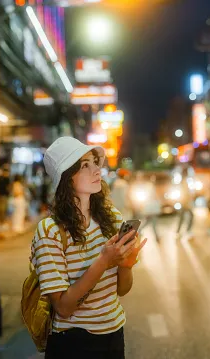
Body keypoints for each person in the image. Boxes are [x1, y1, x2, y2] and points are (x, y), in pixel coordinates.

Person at [32, 136, 147, 359]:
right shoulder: (50, 231)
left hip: (114, 334)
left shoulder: (111, 217)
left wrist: (126, 264)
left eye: (95, 162)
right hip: (73, 342)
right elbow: (63, 308)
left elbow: (122, 290)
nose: (97, 170)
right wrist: (104, 261)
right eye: (85, 165)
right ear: (66, 178)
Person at [176, 167, 195, 238]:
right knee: (191, 216)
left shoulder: (183, 181)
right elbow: (186, 193)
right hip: (185, 202)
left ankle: (178, 231)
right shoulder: (185, 181)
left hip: (184, 202)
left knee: (182, 217)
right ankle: (188, 231)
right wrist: (188, 201)